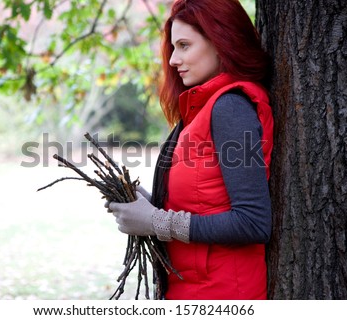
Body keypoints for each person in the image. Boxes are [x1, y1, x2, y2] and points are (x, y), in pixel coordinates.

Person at [107, 0, 274, 300]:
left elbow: (253, 222)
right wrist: (145, 204)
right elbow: (204, 200)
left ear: (222, 42)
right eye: (173, 47)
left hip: (223, 295)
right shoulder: (198, 112)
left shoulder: (231, 109)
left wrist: (157, 222)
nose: (172, 60)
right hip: (190, 290)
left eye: (184, 45)